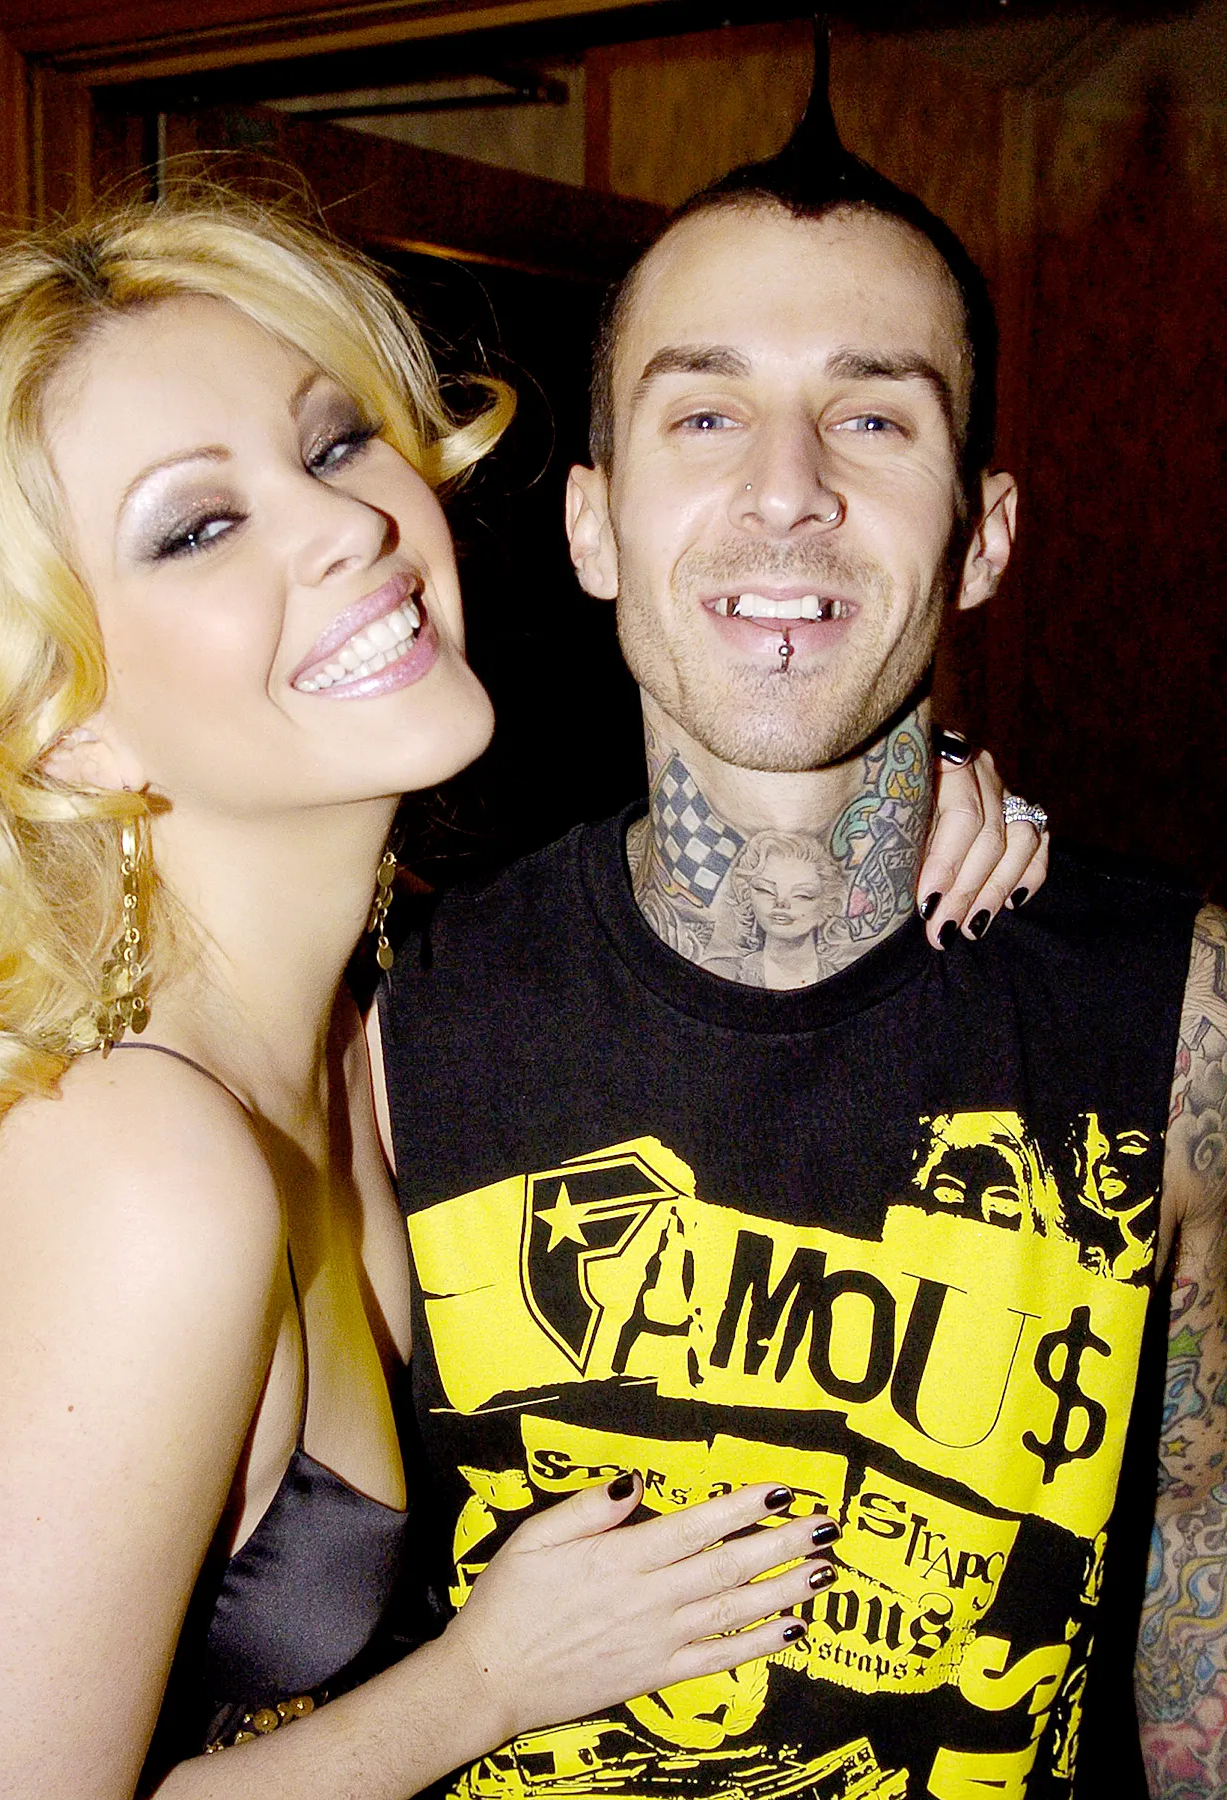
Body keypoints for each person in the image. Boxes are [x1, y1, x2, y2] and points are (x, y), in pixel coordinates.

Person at [0, 189, 1041, 1800]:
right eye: (196, 527)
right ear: (59, 718)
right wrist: (491, 1681)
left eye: (333, 444)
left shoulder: (364, 1029)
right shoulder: (135, 1175)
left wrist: (912, 796)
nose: (343, 525)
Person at [371, 56, 1225, 1800]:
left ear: (980, 537)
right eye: (704, 415)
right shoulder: (385, 1033)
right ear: (593, 525)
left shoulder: (1181, 1011)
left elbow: (1194, 1620)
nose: (787, 490)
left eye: (875, 418)